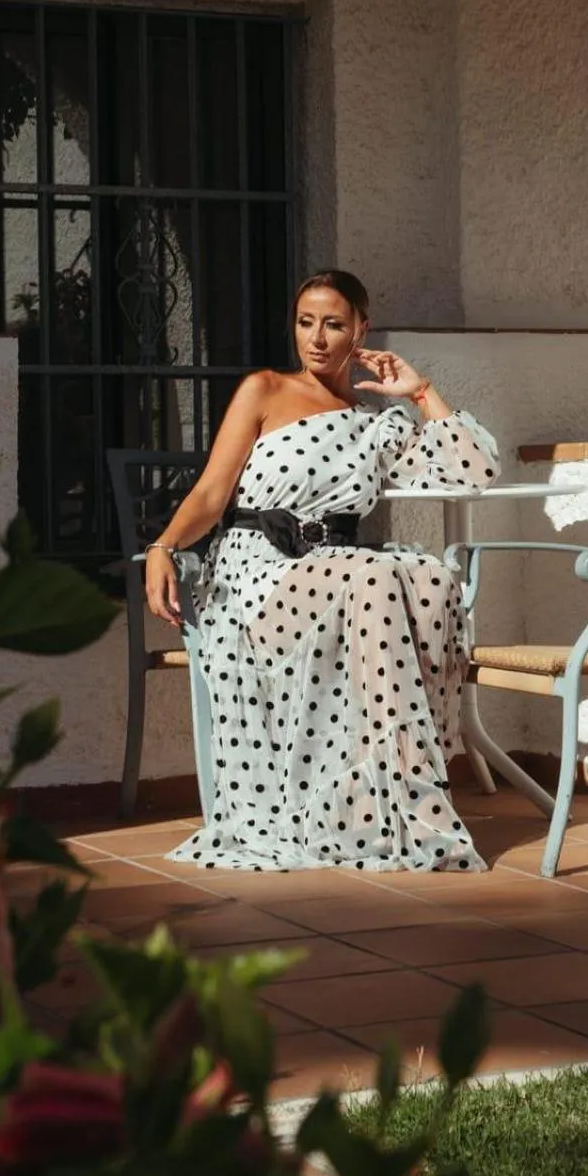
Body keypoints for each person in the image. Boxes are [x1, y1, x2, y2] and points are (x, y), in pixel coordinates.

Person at [145, 270, 499, 873]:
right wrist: (164, 545)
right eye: (306, 322)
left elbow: (471, 471)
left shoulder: (376, 424)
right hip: (255, 573)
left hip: (333, 573)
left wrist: (419, 393)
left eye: (334, 324)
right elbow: (211, 493)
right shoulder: (264, 389)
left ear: (361, 329)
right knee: (377, 576)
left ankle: (383, 798)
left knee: (435, 582)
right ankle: (405, 800)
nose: (316, 338)